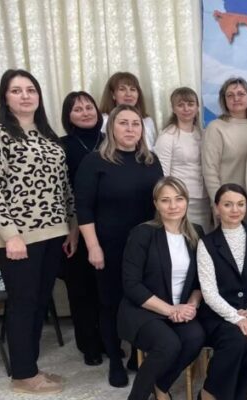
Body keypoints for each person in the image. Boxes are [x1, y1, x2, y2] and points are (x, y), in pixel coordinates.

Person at [0, 69, 73, 394]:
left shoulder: (47, 135)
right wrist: (10, 234)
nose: (25, 95)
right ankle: (23, 375)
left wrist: (71, 227)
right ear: (5, 97)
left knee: (40, 302)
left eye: (31, 89)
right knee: (23, 303)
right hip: (18, 238)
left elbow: (63, 187)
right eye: (16, 90)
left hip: (53, 233)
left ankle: (30, 367)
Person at [76, 104, 164, 387]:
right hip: (109, 245)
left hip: (146, 245)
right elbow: (84, 208)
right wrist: (93, 246)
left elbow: (160, 204)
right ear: (111, 127)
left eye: (135, 124)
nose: (130, 129)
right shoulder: (94, 162)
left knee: (143, 301)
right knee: (110, 303)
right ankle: (115, 359)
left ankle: (137, 355)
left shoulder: (151, 161)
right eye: (123, 123)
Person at [119, 177, 206, 400]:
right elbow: (131, 285)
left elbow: (200, 281)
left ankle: (161, 385)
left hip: (181, 309)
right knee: (168, 344)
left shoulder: (196, 233)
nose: (173, 205)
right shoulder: (142, 233)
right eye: (165, 200)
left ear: (186, 201)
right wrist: (170, 310)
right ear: (156, 204)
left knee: (195, 337)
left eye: (179, 199)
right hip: (144, 310)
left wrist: (191, 306)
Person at [197, 184, 247, 400]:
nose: (235, 210)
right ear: (216, 208)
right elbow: (209, 291)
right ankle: (210, 393)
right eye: (228, 204)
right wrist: (236, 317)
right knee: (236, 340)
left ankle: (225, 394)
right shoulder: (207, 243)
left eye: (240, 204)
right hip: (219, 315)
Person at [59, 91, 105, 367]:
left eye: (89, 107)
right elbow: (61, 192)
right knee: (81, 288)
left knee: (105, 288)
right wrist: (72, 227)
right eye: (78, 109)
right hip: (74, 225)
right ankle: (89, 344)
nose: (86, 112)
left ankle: (109, 339)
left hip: (108, 223)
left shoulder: (110, 140)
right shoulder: (61, 146)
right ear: (68, 116)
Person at [202, 77, 247, 225]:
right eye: (230, 95)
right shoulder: (216, 128)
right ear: (224, 101)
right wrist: (217, 202)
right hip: (228, 203)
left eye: (241, 94)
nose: (236, 98)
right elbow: (210, 170)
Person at [155, 87, 211, 230]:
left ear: (197, 107)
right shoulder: (167, 136)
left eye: (190, 104)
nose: (186, 109)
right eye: (180, 105)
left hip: (204, 199)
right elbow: (162, 174)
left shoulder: (203, 134)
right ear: (174, 109)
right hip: (180, 200)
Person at [98, 71, 158, 149]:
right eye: (122, 89)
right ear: (113, 95)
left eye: (132, 89)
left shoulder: (147, 121)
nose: (128, 94)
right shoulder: (104, 120)